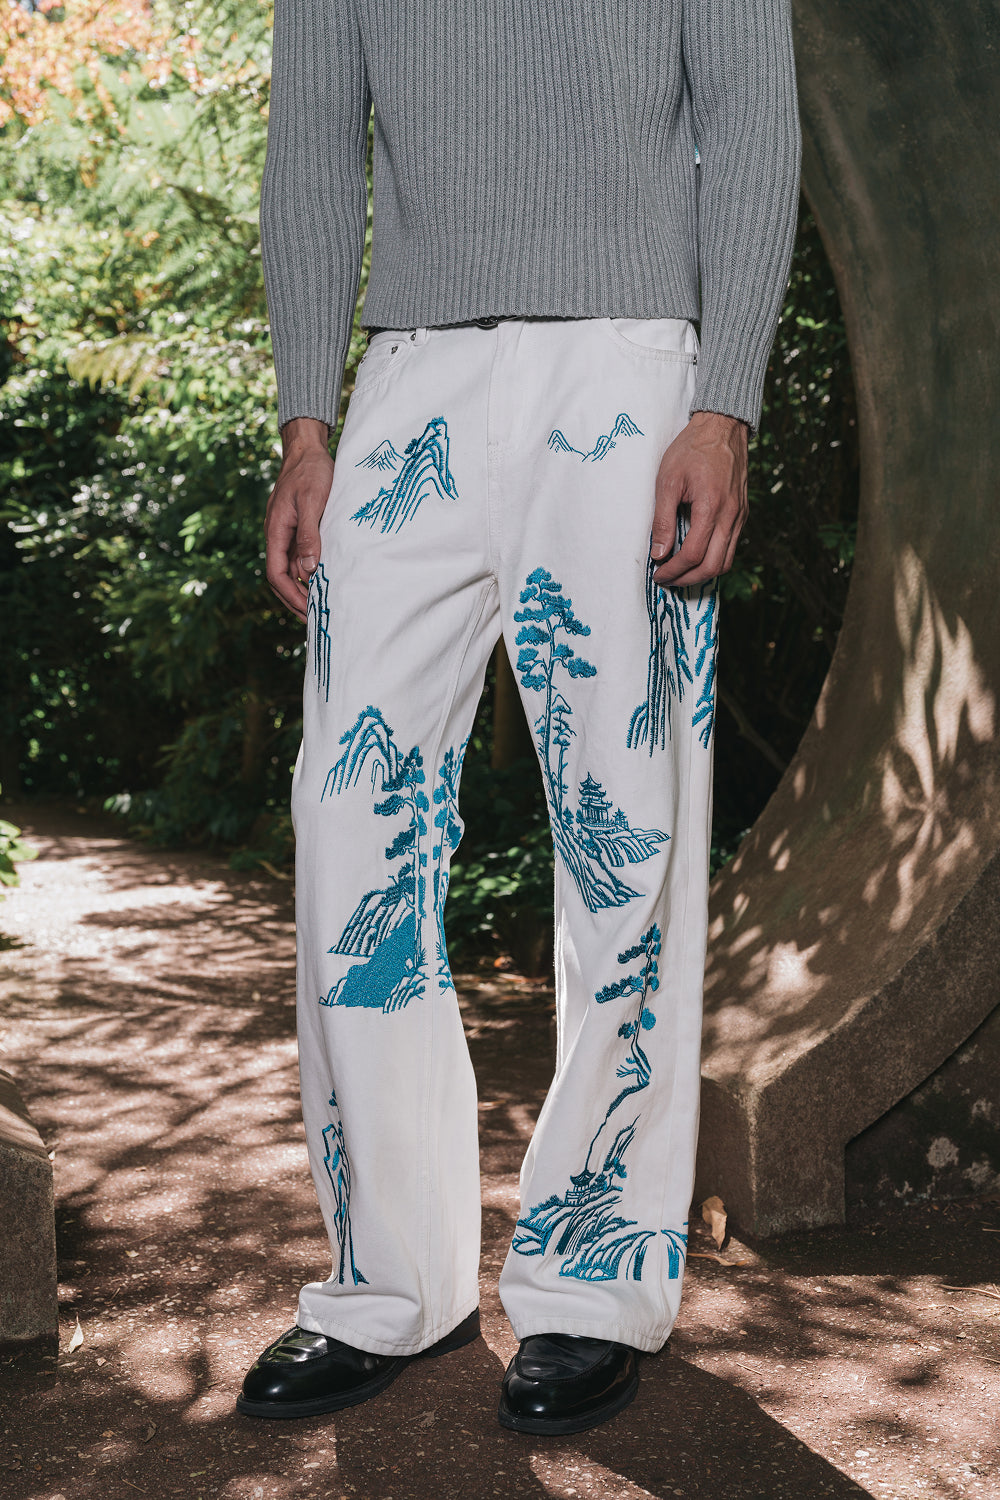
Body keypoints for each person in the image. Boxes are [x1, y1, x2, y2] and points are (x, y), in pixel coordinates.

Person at [236, 0, 801, 1436]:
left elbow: (747, 117)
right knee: (348, 816)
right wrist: (308, 418)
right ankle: (389, 1282)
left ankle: (589, 1278)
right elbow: (313, 133)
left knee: (625, 834)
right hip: (410, 368)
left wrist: (724, 402)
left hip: (629, 364)